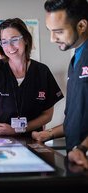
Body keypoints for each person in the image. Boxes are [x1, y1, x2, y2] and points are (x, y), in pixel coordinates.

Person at [32, 0, 88, 168]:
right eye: (50, 31)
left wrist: (83, 147)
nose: (52, 39)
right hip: (76, 160)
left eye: (59, 31)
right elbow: (74, 120)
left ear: (82, 25)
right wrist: (47, 134)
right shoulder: (75, 61)